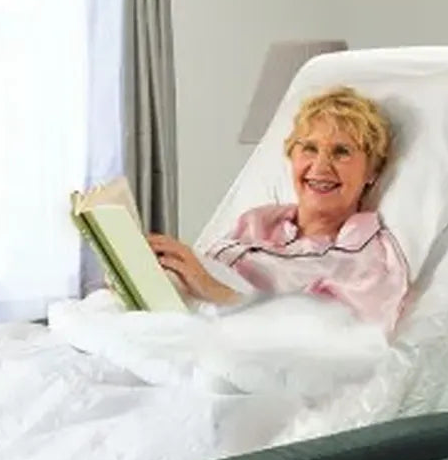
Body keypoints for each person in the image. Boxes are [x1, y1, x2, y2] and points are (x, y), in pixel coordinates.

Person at [147, 86, 410, 335]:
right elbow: (202, 279)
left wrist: (217, 293)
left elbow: (330, 343)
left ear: (372, 171)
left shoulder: (371, 261)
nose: (320, 167)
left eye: (341, 152)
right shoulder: (256, 222)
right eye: (309, 148)